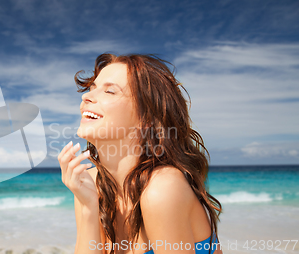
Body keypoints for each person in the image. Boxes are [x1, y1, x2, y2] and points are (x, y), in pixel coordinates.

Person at [58, 53, 223, 254]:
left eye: (109, 91)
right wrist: (88, 207)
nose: (86, 96)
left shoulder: (162, 188)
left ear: (147, 118)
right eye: (92, 88)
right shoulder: (90, 184)